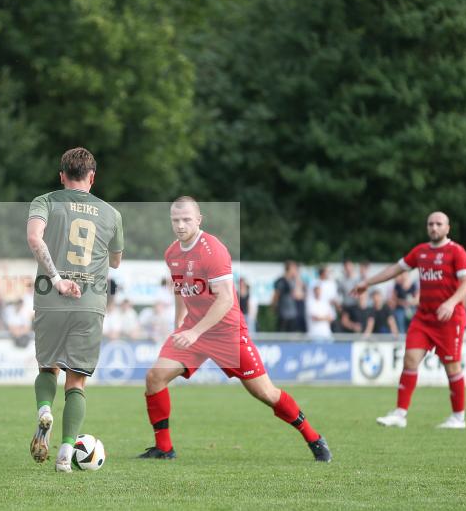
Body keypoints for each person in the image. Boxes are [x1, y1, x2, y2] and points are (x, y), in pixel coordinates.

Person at [139, 197, 331, 462]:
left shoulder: (213, 250)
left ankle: (313, 438)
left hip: (226, 333)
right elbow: (180, 291)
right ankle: (164, 448)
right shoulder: (172, 253)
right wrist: (179, 327)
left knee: (265, 393)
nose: (180, 225)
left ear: (199, 220)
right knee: (154, 378)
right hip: (194, 330)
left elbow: (226, 299)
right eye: (175, 220)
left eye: (186, 220)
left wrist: (194, 332)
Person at [26, 147, 124, 472]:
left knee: (47, 368)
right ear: (92, 177)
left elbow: (34, 239)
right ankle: (66, 452)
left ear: (61, 176)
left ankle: (43, 410)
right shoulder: (111, 214)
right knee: (76, 381)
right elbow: (116, 261)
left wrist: (56, 278)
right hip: (90, 303)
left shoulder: (44, 201)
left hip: (51, 298)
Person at [352, 211, 466, 429]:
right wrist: (367, 283)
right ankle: (400, 414)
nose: (434, 228)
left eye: (439, 224)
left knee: (452, 367)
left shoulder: (457, 252)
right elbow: (394, 269)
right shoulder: (421, 251)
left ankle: (458, 417)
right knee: (410, 360)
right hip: (424, 318)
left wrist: (451, 302)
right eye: (430, 224)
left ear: (448, 228)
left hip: (449, 319)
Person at [271, 261, 304, 332]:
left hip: (293, 314)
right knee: (281, 335)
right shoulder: (281, 281)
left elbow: (300, 295)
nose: (296, 271)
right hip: (283, 314)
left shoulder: (294, 281)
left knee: (292, 335)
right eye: (294, 269)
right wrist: (274, 307)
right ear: (289, 269)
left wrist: (297, 278)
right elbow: (276, 295)